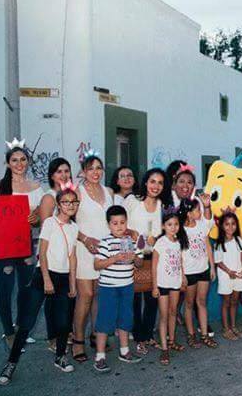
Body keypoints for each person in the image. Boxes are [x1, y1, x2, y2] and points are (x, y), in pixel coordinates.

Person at [0, 185, 79, 385]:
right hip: (43, 276)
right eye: (66, 202)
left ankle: (60, 356)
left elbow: (72, 256)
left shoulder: (74, 227)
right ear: (59, 204)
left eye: (74, 202)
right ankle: (11, 363)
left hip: (64, 278)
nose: (71, 206)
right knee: (27, 323)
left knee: (63, 322)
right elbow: (42, 253)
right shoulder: (50, 222)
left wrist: (73, 283)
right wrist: (47, 278)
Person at [0, 142, 44, 349]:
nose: (19, 163)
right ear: (8, 163)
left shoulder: (37, 188)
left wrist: (35, 218)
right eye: (15, 160)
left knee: (26, 288)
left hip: (25, 244)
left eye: (23, 159)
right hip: (2, 247)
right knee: (6, 287)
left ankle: (20, 327)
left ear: (28, 162)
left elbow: (40, 220)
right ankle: (8, 331)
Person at [124, 168, 169, 355]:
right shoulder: (132, 201)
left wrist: (157, 239)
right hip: (133, 256)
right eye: (152, 181)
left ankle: (148, 334)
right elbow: (118, 223)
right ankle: (139, 337)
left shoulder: (163, 206)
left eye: (159, 183)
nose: (155, 186)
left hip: (154, 257)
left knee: (152, 299)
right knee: (134, 300)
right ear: (145, 182)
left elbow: (167, 232)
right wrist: (131, 232)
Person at [73, 154, 113, 363]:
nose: (95, 172)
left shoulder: (108, 192)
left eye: (99, 168)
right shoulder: (77, 193)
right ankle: (77, 339)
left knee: (99, 294)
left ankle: (96, 334)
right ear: (83, 172)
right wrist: (85, 239)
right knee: (86, 295)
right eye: (91, 168)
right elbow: (67, 221)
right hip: (83, 249)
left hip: (104, 251)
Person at [93, 205, 143, 373]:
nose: (119, 226)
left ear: (126, 222)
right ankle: (100, 356)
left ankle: (124, 351)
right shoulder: (105, 242)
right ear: (109, 225)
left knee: (125, 318)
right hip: (108, 288)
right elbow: (97, 264)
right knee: (105, 320)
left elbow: (140, 263)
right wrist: (114, 258)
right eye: (115, 223)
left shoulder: (132, 241)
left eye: (122, 222)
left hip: (127, 286)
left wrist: (135, 257)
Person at [37, 157, 73, 352]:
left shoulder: (71, 196)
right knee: (51, 300)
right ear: (52, 175)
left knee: (66, 298)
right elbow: (45, 232)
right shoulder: (49, 198)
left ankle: (65, 333)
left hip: (68, 256)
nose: (64, 175)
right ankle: (53, 337)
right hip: (51, 258)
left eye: (67, 171)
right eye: (59, 171)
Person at [179, 197, 218, 348]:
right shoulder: (181, 229)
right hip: (189, 272)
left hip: (203, 270)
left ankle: (204, 334)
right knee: (189, 304)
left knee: (202, 302)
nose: (200, 212)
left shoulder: (202, 225)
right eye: (196, 210)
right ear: (188, 213)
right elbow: (178, 253)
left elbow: (208, 246)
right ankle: (191, 335)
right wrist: (182, 274)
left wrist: (212, 267)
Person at [152, 212, 187, 365]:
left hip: (175, 282)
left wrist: (183, 276)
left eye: (176, 224)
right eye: (169, 225)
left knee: (173, 312)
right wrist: (154, 286)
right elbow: (153, 266)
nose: (173, 228)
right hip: (162, 284)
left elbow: (180, 262)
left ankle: (172, 340)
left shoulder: (178, 242)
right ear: (163, 226)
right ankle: (164, 348)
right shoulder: (160, 243)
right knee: (164, 315)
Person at [214, 212, 242, 341]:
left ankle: (233, 326)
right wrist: (229, 272)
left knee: (234, 301)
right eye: (227, 224)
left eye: (233, 224)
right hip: (226, 276)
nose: (230, 227)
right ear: (222, 226)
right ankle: (226, 328)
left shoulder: (239, 240)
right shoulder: (219, 244)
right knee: (226, 302)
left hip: (238, 275)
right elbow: (218, 262)